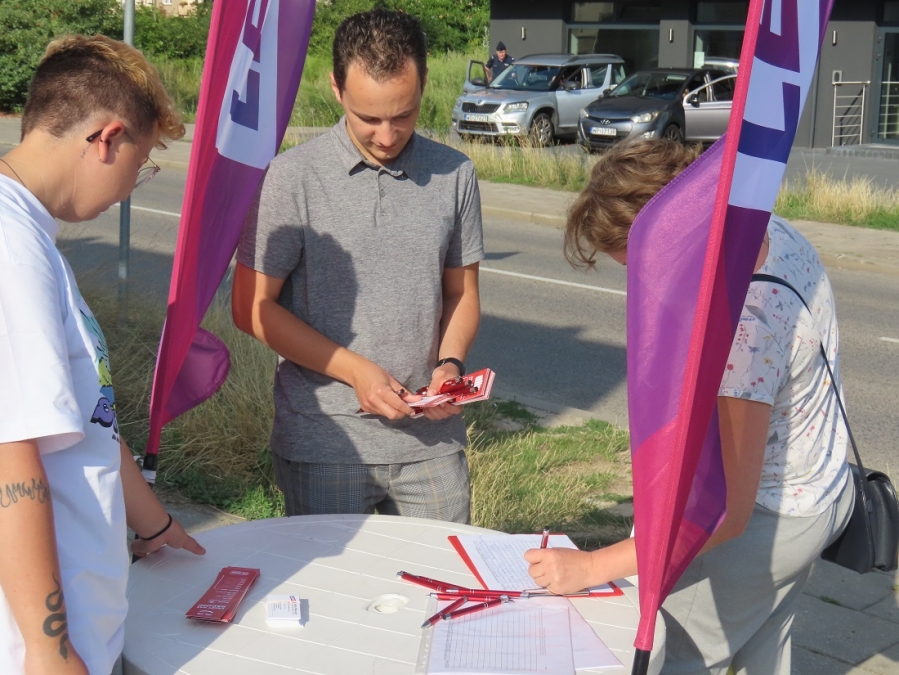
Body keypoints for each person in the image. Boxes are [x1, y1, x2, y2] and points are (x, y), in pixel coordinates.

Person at [524, 139, 854, 675]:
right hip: (818, 489)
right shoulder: (764, 228)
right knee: (761, 652)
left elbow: (727, 513)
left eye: (642, 266)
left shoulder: (743, 326)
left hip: (769, 521)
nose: (641, 283)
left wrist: (590, 566)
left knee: (675, 656)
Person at [0, 35, 206, 675]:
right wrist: (48, 649)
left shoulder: (29, 236)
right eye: (141, 165)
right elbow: (8, 458)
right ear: (107, 139)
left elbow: (90, 420)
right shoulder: (12, 249)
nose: (130, 188)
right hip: (41, 648)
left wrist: (153, 525)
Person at [233, 9, 484, 524]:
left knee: (438, 574)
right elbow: (250, 308)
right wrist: (356, 372)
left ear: (424, 84)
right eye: (368, 118)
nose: (387, 136)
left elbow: (461, 293)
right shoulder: (291, 178)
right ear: (336, 88)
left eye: (404, 115)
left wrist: (450, 366)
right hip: (326, 443)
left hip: (432, 444)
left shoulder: (455, 173)